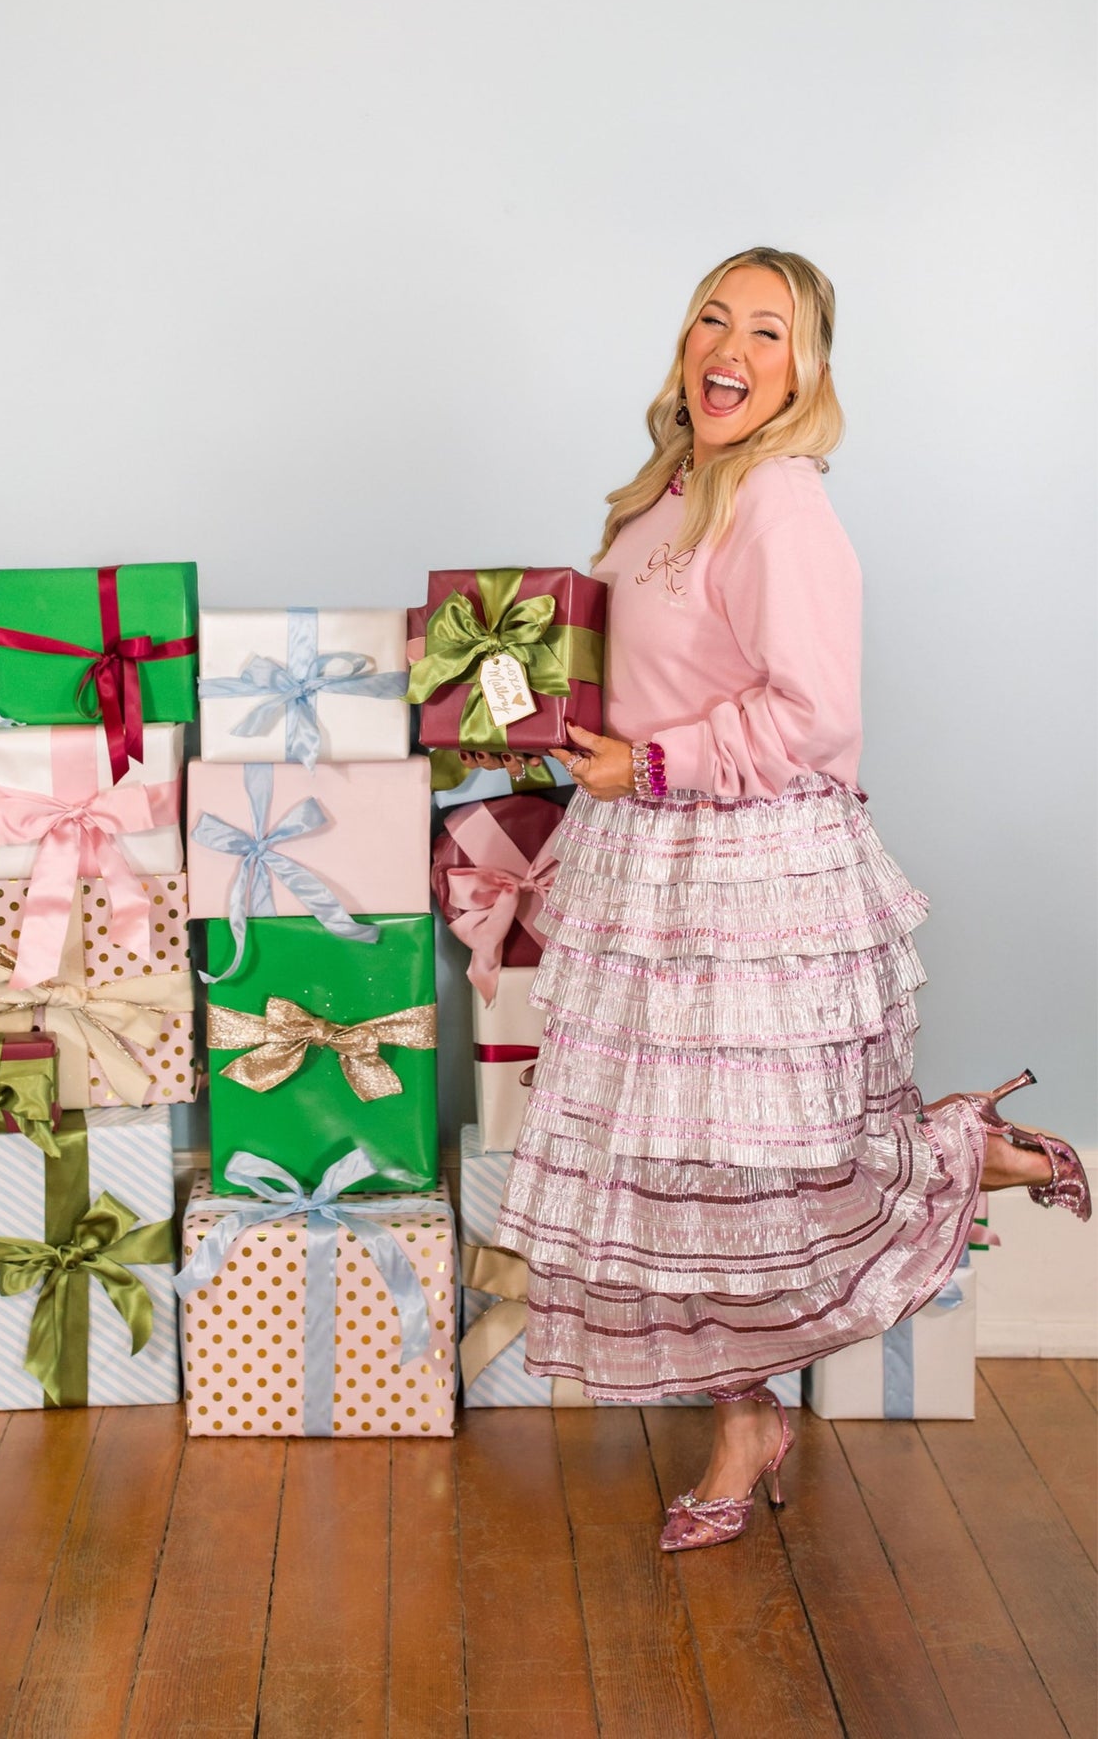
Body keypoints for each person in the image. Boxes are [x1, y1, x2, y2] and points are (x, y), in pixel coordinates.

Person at [473, 245, 1090, 1554]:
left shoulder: (781, 503)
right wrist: (534, 714)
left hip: (752, 866)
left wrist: (643, 760)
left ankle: (967, 1152)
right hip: (646, 858)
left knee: (776, 1163)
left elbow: (813, 718)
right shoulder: (666, 494)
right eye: (711, 317)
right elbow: (639, 675)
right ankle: (746, 1418)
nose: (731, 347)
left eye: (767, 329)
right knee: (675, 1176)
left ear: (804, 368)